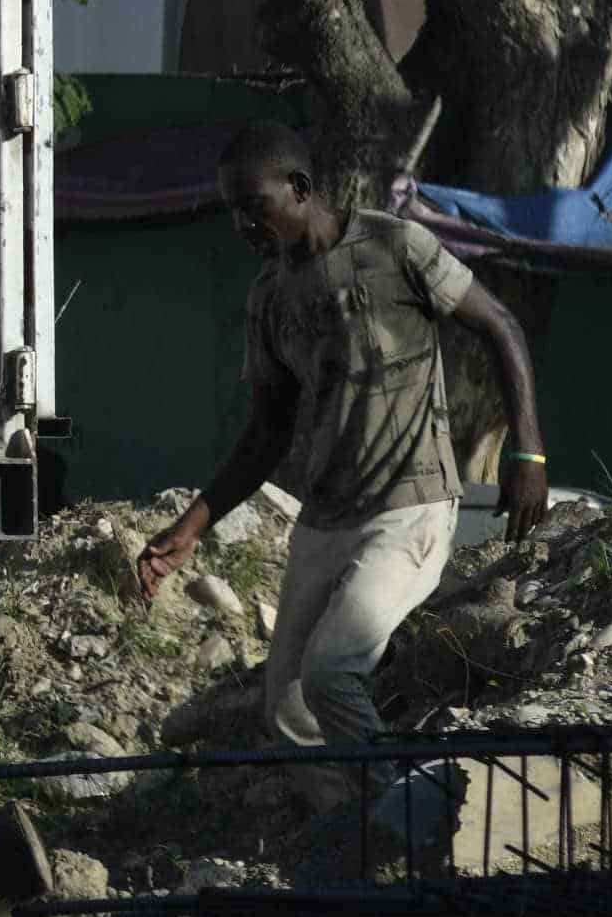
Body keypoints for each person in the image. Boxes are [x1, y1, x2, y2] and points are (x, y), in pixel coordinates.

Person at [130, 121, 549, 750]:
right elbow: (267, 433)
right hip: (325, 518)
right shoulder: (269, 298)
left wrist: (528, 452)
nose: (243, 226)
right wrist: (191, 527)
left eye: (254, 207)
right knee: (288, 708)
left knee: (330, 675)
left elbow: (501, 327)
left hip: (410, 509)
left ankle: (396, 817)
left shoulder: (396, 245)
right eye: (232, 212)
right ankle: (348, 826)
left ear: (298, 188)